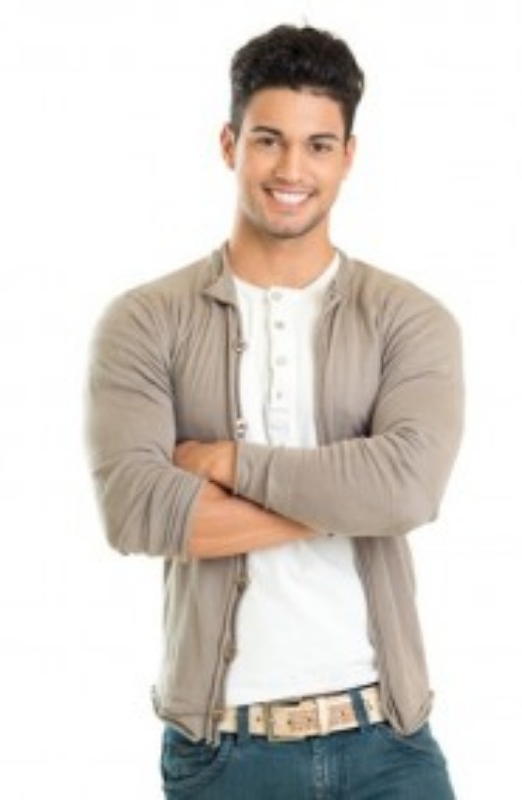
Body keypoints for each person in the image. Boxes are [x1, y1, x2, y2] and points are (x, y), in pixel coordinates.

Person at [86, 23, 464, 799]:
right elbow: (135, 512)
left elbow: (408, 490)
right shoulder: (145, 320)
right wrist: (354, 497)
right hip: (223, 753)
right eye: (269, 140)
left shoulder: (409, 319)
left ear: (348, 156)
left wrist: (228, 464)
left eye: (318, 145)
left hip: (388, 743)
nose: (292, 169)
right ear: (230, 144)